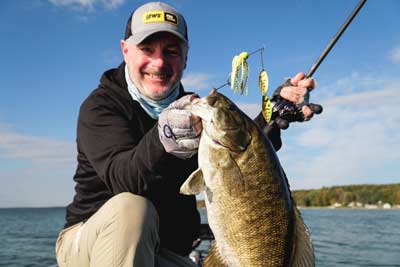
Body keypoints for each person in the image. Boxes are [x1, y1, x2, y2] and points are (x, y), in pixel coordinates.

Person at [55, 2, 318, 267]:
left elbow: (242, 154)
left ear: (186, 56)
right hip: (92, 246)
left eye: (171, 51)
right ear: (125, 50)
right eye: (147, 49)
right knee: (131, 210)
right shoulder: (102, 106)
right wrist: (163, 138)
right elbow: (125, 179)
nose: (159, 63)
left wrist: (273, 114)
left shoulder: (191, 110)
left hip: (165, 251)